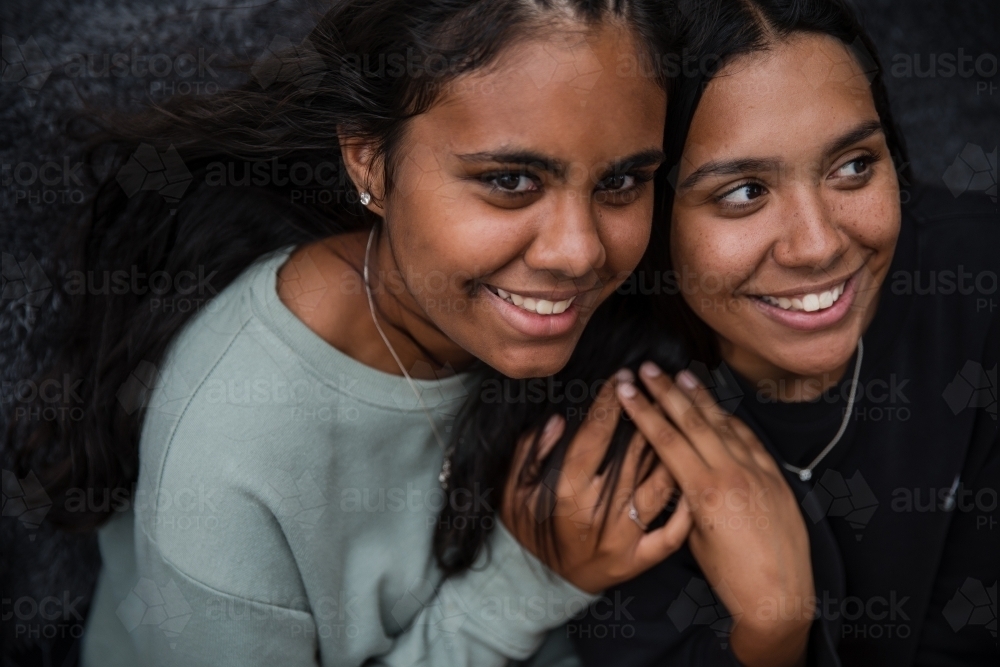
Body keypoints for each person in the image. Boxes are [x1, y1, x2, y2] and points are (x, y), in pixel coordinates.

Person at [4, 1, 694, 665]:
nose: (578, 252)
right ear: (368, 162)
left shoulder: (605, 329)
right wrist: (530, 582)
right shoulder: (229, 449)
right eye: (510, 180)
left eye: (623, 181)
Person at [444, 0, 997, 665]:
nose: (818, 244)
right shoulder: (600, 430)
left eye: (852, 166)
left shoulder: (976, 284)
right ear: (646, 213)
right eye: (743, 192)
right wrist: (773, 631)